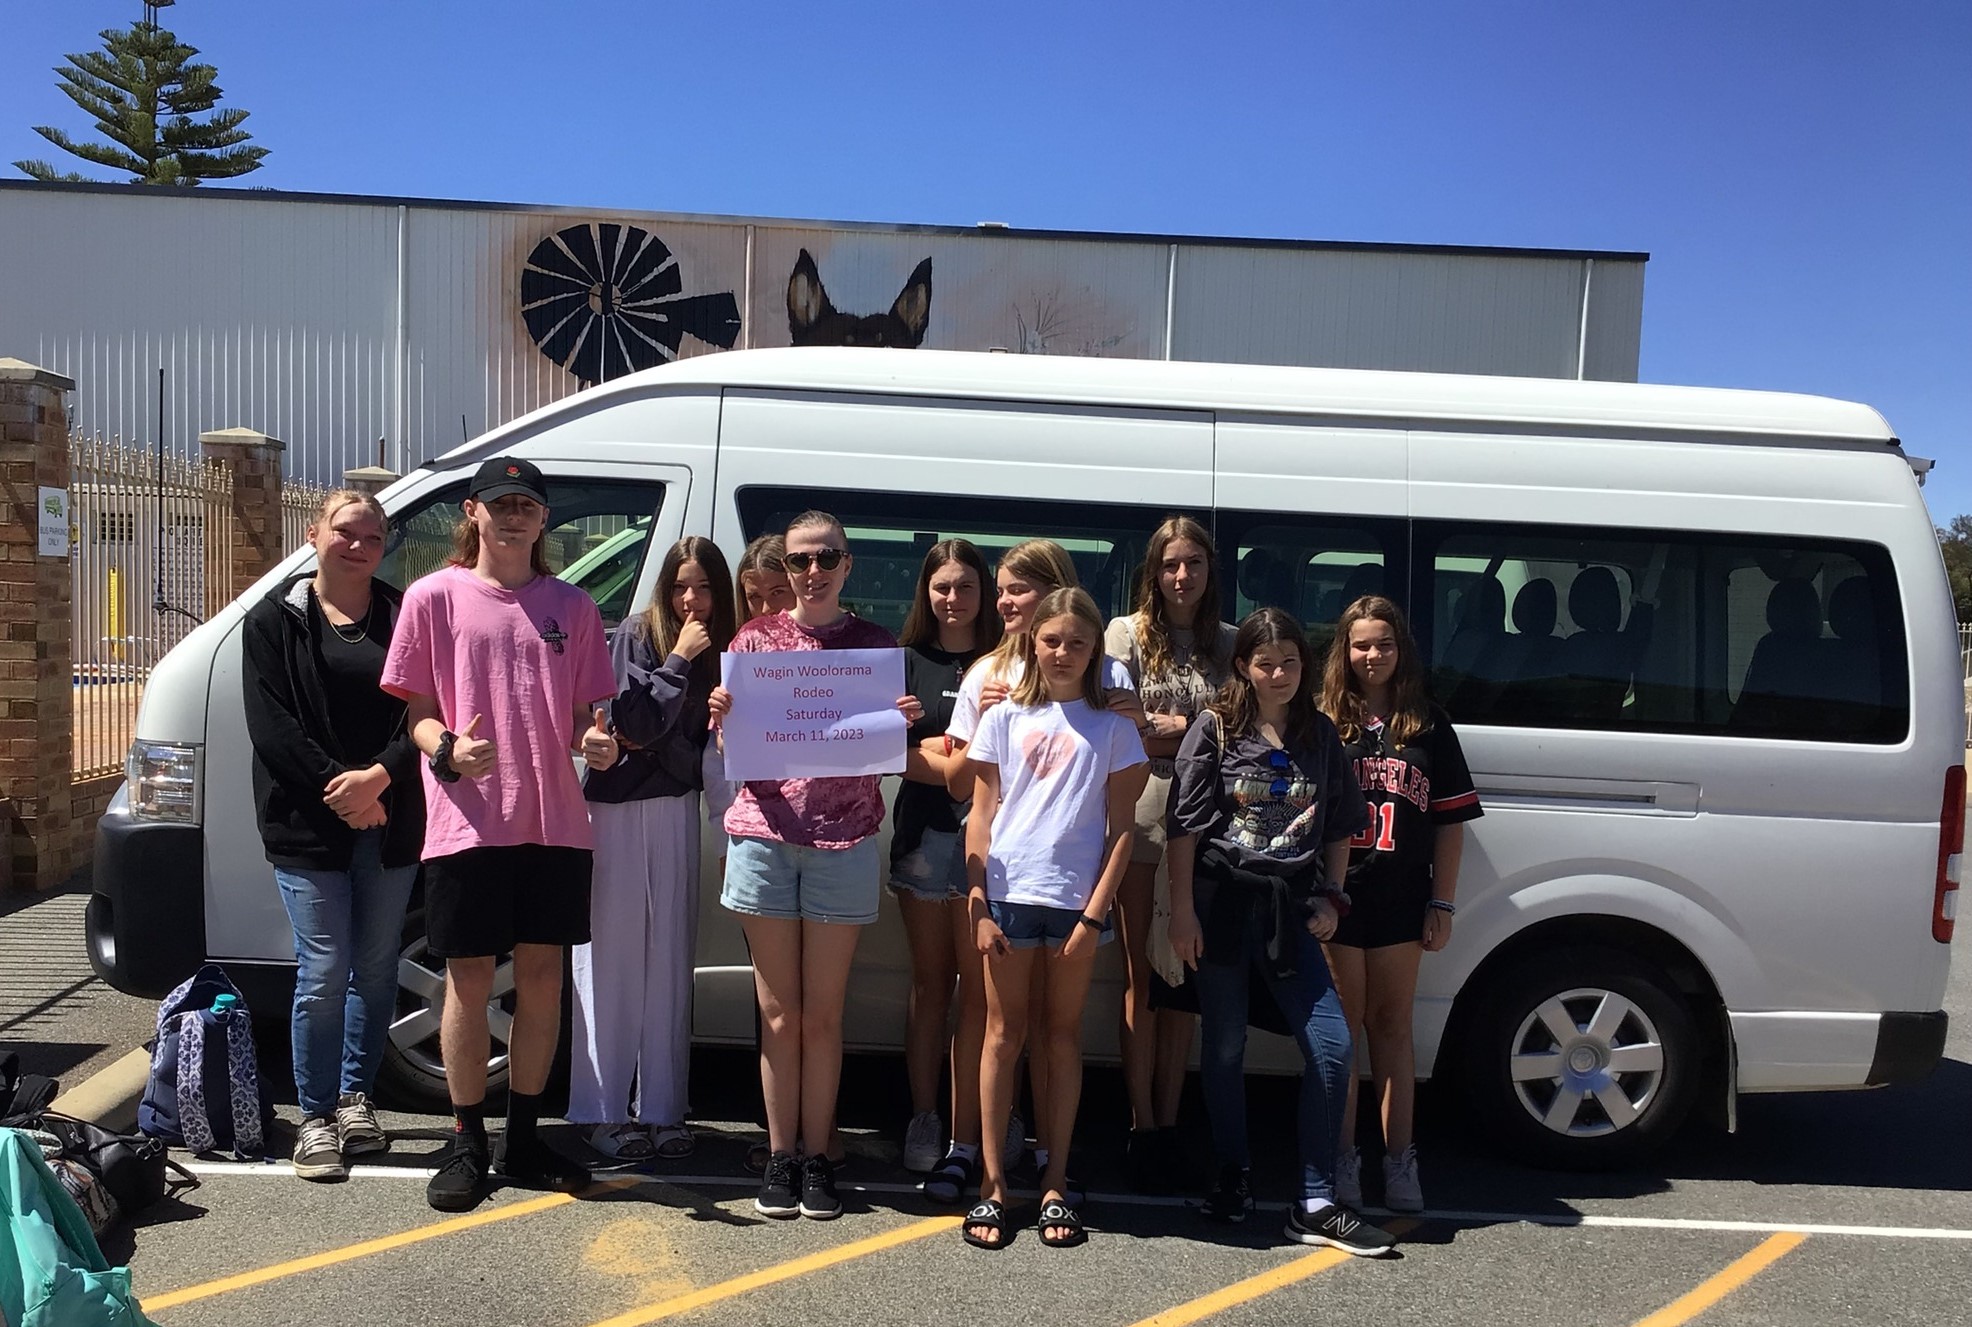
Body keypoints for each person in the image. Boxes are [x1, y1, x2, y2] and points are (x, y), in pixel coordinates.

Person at [381, 455, 619, 1213]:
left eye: (527, 504)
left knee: (544, 980)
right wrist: (446, 747)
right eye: (499, 503)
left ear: (544, 519)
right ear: (472, 513)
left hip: (554, 823)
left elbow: (589, 716)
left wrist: (597, 742)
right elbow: (415, 710)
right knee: (469, 981)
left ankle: (523, 1138)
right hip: (469, 822)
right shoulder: (433, 597)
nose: (513, 515)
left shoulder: (573, 606)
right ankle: (466, 1139)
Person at [708, 511, 921, 1221]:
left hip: (845, 841)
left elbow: (880, 746)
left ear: (847, 563)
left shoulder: (872, 645)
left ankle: (819, 1157)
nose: (813, 569)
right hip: (765, 835)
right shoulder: (754, 639)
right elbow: (738, 739)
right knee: (777, 1012)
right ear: (788, 566)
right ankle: (781, 1155)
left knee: (823, 1015)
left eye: (827, 555)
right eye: (801, 558)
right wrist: (722, 711)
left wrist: (899, 719)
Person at [1165, 608, 1395, 1257]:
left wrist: (1333, 895)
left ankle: (1317, 1199)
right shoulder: (1215, 728)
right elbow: (1183, 827)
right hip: (1223, 905)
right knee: (1226, 1047)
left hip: (1290, 908)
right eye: (1266, 662)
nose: (1279, 672)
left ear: (1305, 663)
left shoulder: (1320, 735)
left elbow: (1342, 825)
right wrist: (1182, 911)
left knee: (1332, 1046)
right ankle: (1233, 1172)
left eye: (1290, 660)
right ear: (1244, 665)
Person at [926, 538, 1137, 1205]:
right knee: (999, 1030)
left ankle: (1052, 1178)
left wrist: (1096, 912)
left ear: (1094, 647)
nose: (1061, 651)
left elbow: (1122, 827)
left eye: (1076, 642)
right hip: (1009, 897)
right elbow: (978, 812)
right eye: (1051, 640)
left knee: (1060, 1036)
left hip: (1076, 904)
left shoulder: (1113, 722)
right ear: (1034, 642)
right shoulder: (1000, 708)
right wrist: (979, 901)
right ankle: (992, 1180)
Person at [243, 490, 425, 1182]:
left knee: (376, 968)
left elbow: (427, 711)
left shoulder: (403, 613)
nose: (359, 544)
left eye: (373, 535)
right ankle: (315, 1115)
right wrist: (345, 792)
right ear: (314, 532)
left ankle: (356, 1098)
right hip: (308, 823)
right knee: (323, 972)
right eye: (346, 531)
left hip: (388, 815)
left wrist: (379, 779)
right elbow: (274, 727)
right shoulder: (274, 620)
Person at [572, 536, 737, 1162]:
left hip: (673, 811)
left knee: (669, 959)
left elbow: (698, 753)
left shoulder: (729, 650)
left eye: (703, 586)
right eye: (680, 585)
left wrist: (671, 750)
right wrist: (678, 663)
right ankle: (601, 1110)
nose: (691, 599)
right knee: (608, 958)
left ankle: (664, 1111)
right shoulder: (638, 637)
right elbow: (629, 724)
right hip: (613, 809)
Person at [1321, 595, 1481, 1214]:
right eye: (1361, 644)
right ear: (1345, 650)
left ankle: (1400, 1161)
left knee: (1391, 1030)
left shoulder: (1429, 724)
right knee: (1340, 1037)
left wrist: (1442, 901)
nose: (1372, 655)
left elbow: (1451, 824)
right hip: (1339, 899)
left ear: (1401, 649)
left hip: (1401, 898)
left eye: (1383, 643)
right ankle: (1341, 1161)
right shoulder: (1324, 720)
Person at [1102, 515, 1238, 1192]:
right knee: (1140, 978)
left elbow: (1237, 733)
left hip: (1210, 826)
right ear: (1153, 571)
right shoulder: (1124, 635)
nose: (1181, 576)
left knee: (1182, 982)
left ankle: (1173, 1119)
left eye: (1193, 563)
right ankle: (1142, 1123)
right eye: (1169, 564)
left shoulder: (1233, 644)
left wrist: (1167, 728)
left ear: (1211, 569)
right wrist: (1194, 727)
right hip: (1141, 819)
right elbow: (1116, 723)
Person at [889, 540, 1002, 1173]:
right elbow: (890, 756)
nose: (952, 598)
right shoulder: (904, 663)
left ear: (983, 592)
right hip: (927, 841)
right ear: (925, 593)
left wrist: (943, 752)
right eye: (941, 586)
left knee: (983, 998)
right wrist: (956, 762)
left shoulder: (1007, 663)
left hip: (996, 844)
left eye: (964, 586)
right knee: (932, 986)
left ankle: (975, 1122)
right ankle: (925, 1117)